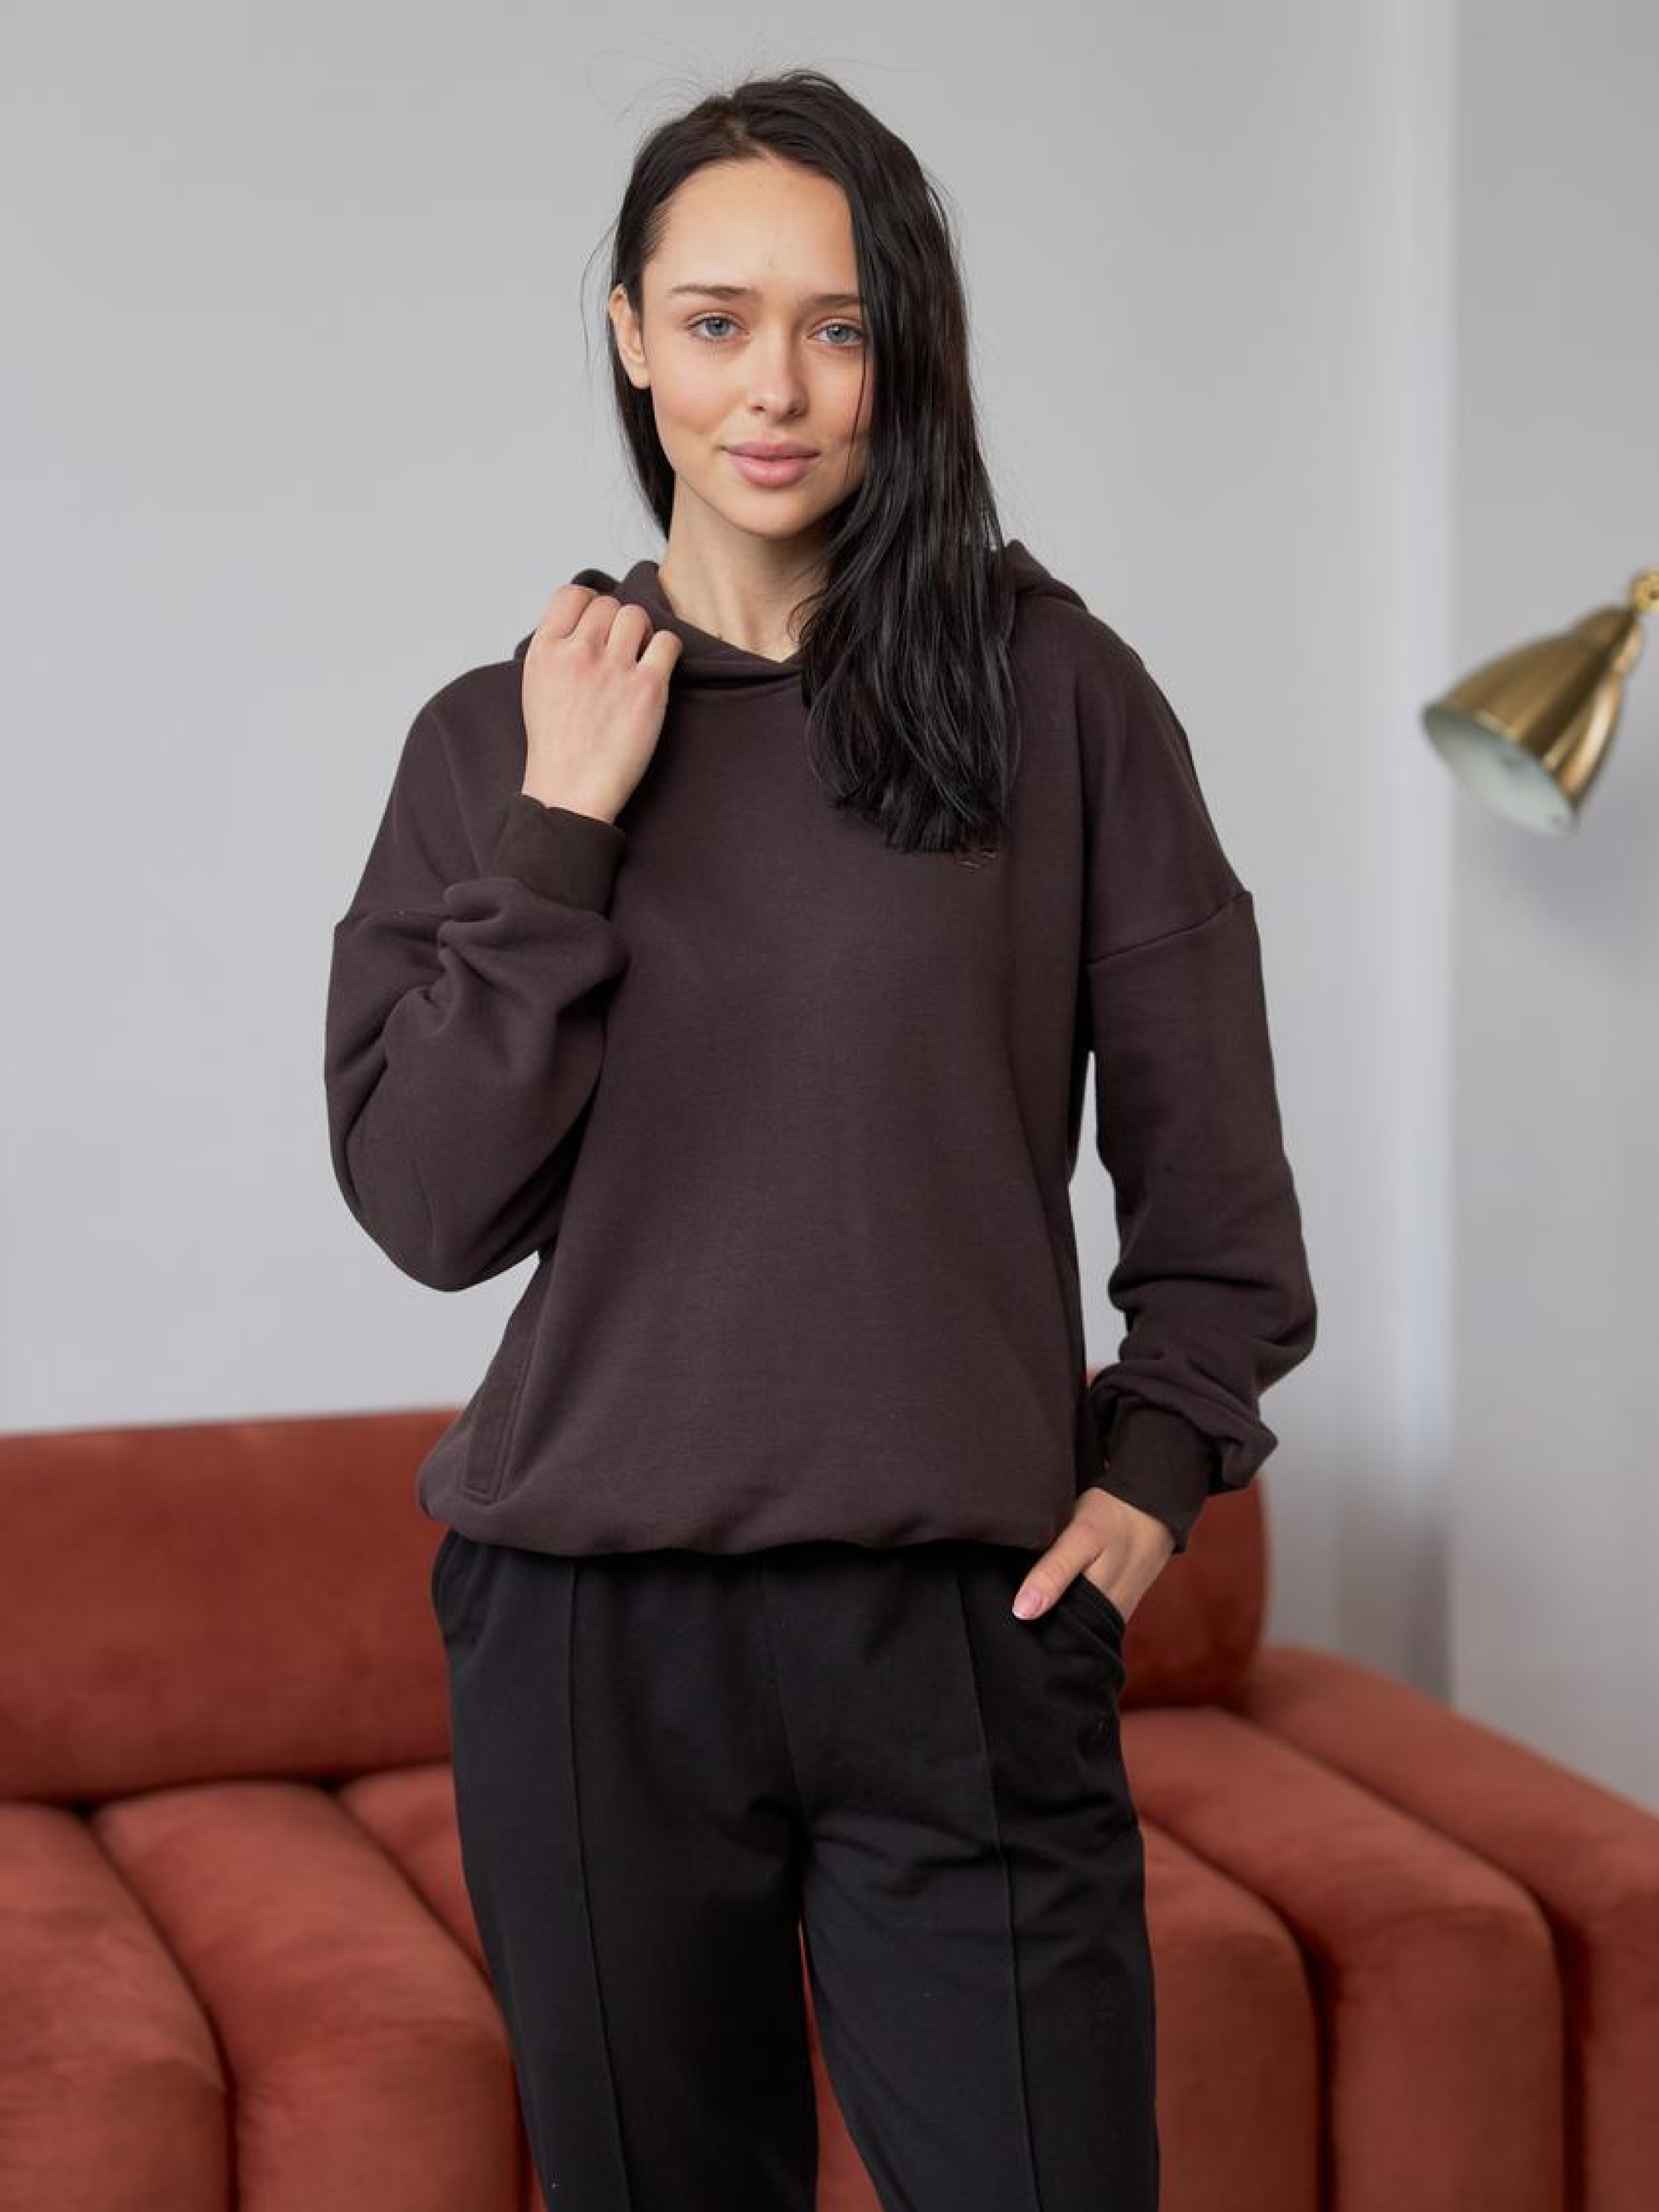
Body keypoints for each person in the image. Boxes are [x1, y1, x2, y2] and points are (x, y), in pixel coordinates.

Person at [323, 66, 1316, 2212]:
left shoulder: (1056, 697)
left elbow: (1216, 1177)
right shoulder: (496, 739)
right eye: (714, 320)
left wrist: (1156, 1470)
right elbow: (427, 1204)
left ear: (904, 350)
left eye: (835, 326)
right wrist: (563, 824)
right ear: (628, 336)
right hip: (588, 1639)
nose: (771, 387)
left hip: (957, 1626)